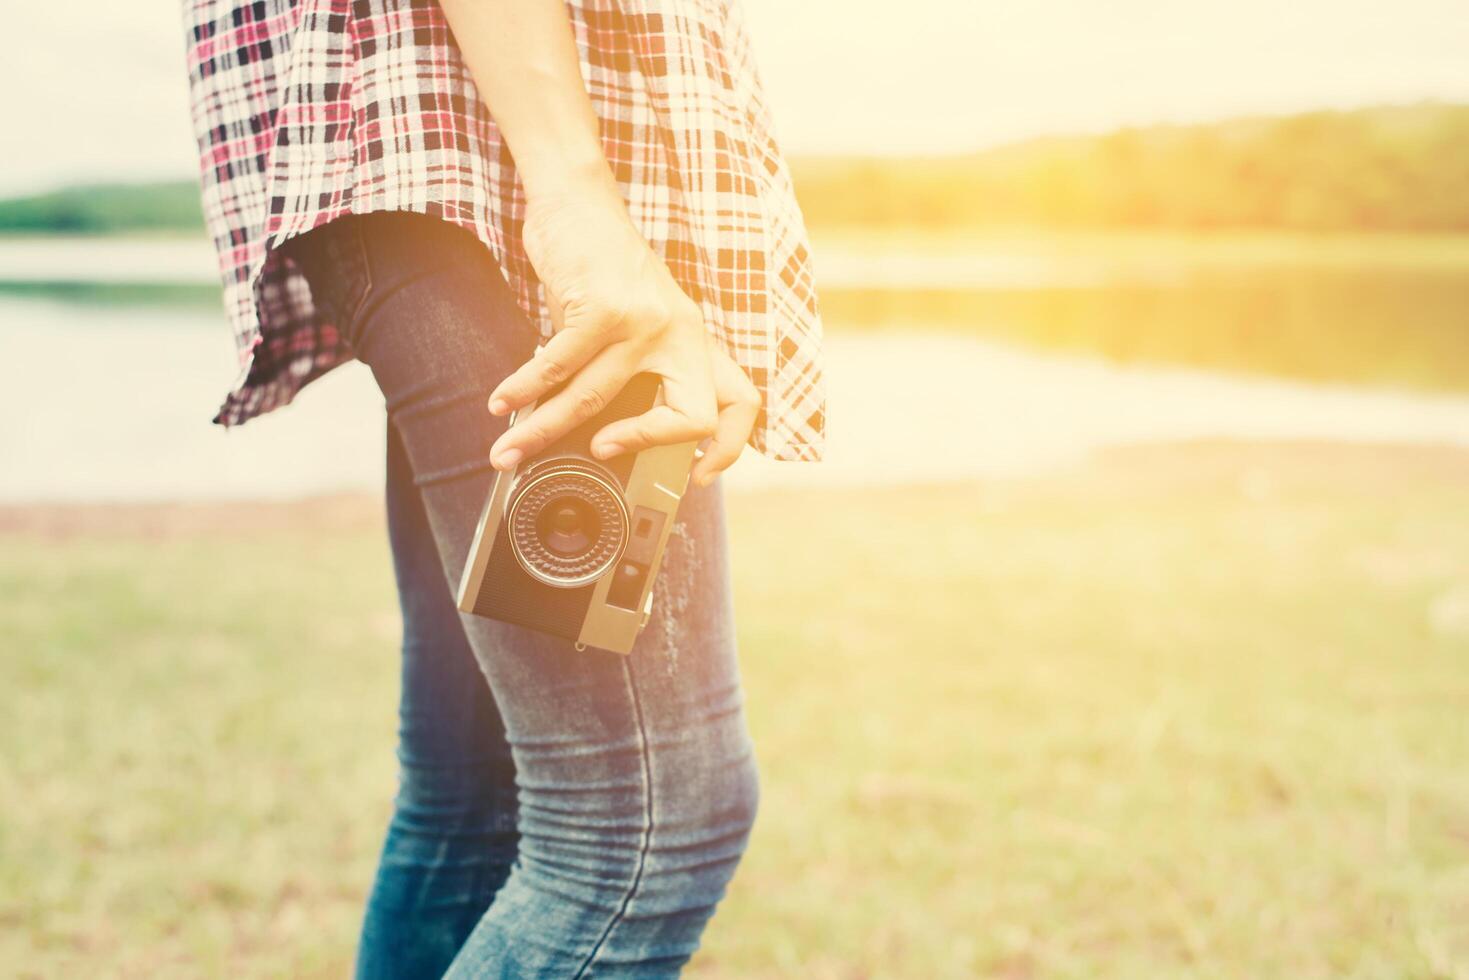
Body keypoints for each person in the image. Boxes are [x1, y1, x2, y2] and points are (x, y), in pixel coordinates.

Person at [180, 0, 826, 975]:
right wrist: (575, 199)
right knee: (647, 824)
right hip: (490, 156)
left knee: (472, 797)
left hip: (447, 158)